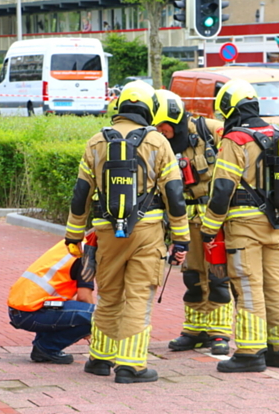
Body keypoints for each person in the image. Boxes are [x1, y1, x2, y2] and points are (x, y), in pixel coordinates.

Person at [64, 80, 190, 384]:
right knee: (138, 295)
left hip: (106, 230)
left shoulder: (96, 141)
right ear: (149, 109)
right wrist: (181, 237)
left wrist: (73, 235)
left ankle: (99, 359)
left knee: (108, 295)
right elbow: (174, 194)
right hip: (146, 232)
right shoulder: (158, 142)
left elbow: (81, 193)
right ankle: (131, 365)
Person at [200, 79, 279, 373]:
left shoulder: (235, 139)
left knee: (249, 286)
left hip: (243, 226)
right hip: (275, 224)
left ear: (228, 107)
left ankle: (250, 352)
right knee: (275, 285)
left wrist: (208, 227)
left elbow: (222, 189)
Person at [152, 89, 231, 356]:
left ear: (175, 119)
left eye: (164, 126)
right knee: (192, 277)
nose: (161, 131)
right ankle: (194, 331)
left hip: (216, 221)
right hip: (187, 221)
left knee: (218, 276)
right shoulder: (161, 143)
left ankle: (219, 333)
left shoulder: (211, 130)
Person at [7, 238, 96, 364]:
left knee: (65, 309)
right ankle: (48, 347)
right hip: (32, 312)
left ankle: (42, 348)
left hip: (23, 309)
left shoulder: (72, 245)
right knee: (99, 315)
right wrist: (91, 327)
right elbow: (84, 297)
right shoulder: (85, 255)